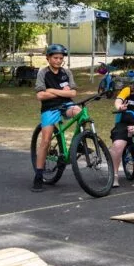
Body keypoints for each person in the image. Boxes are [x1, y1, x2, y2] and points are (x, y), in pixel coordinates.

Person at [32, 44, 81, 191]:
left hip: (67, 105)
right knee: (46, 141)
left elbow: (73, 93)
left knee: (80, 112)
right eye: (55, 58)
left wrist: (52, 90)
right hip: (50, 108)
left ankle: (80, 142)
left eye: (61, 58)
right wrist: (63, 92)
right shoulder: (43, 73)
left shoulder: (67, 72)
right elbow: (40, 95)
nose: (58, 60)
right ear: (48, 58)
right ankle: (38, 175)